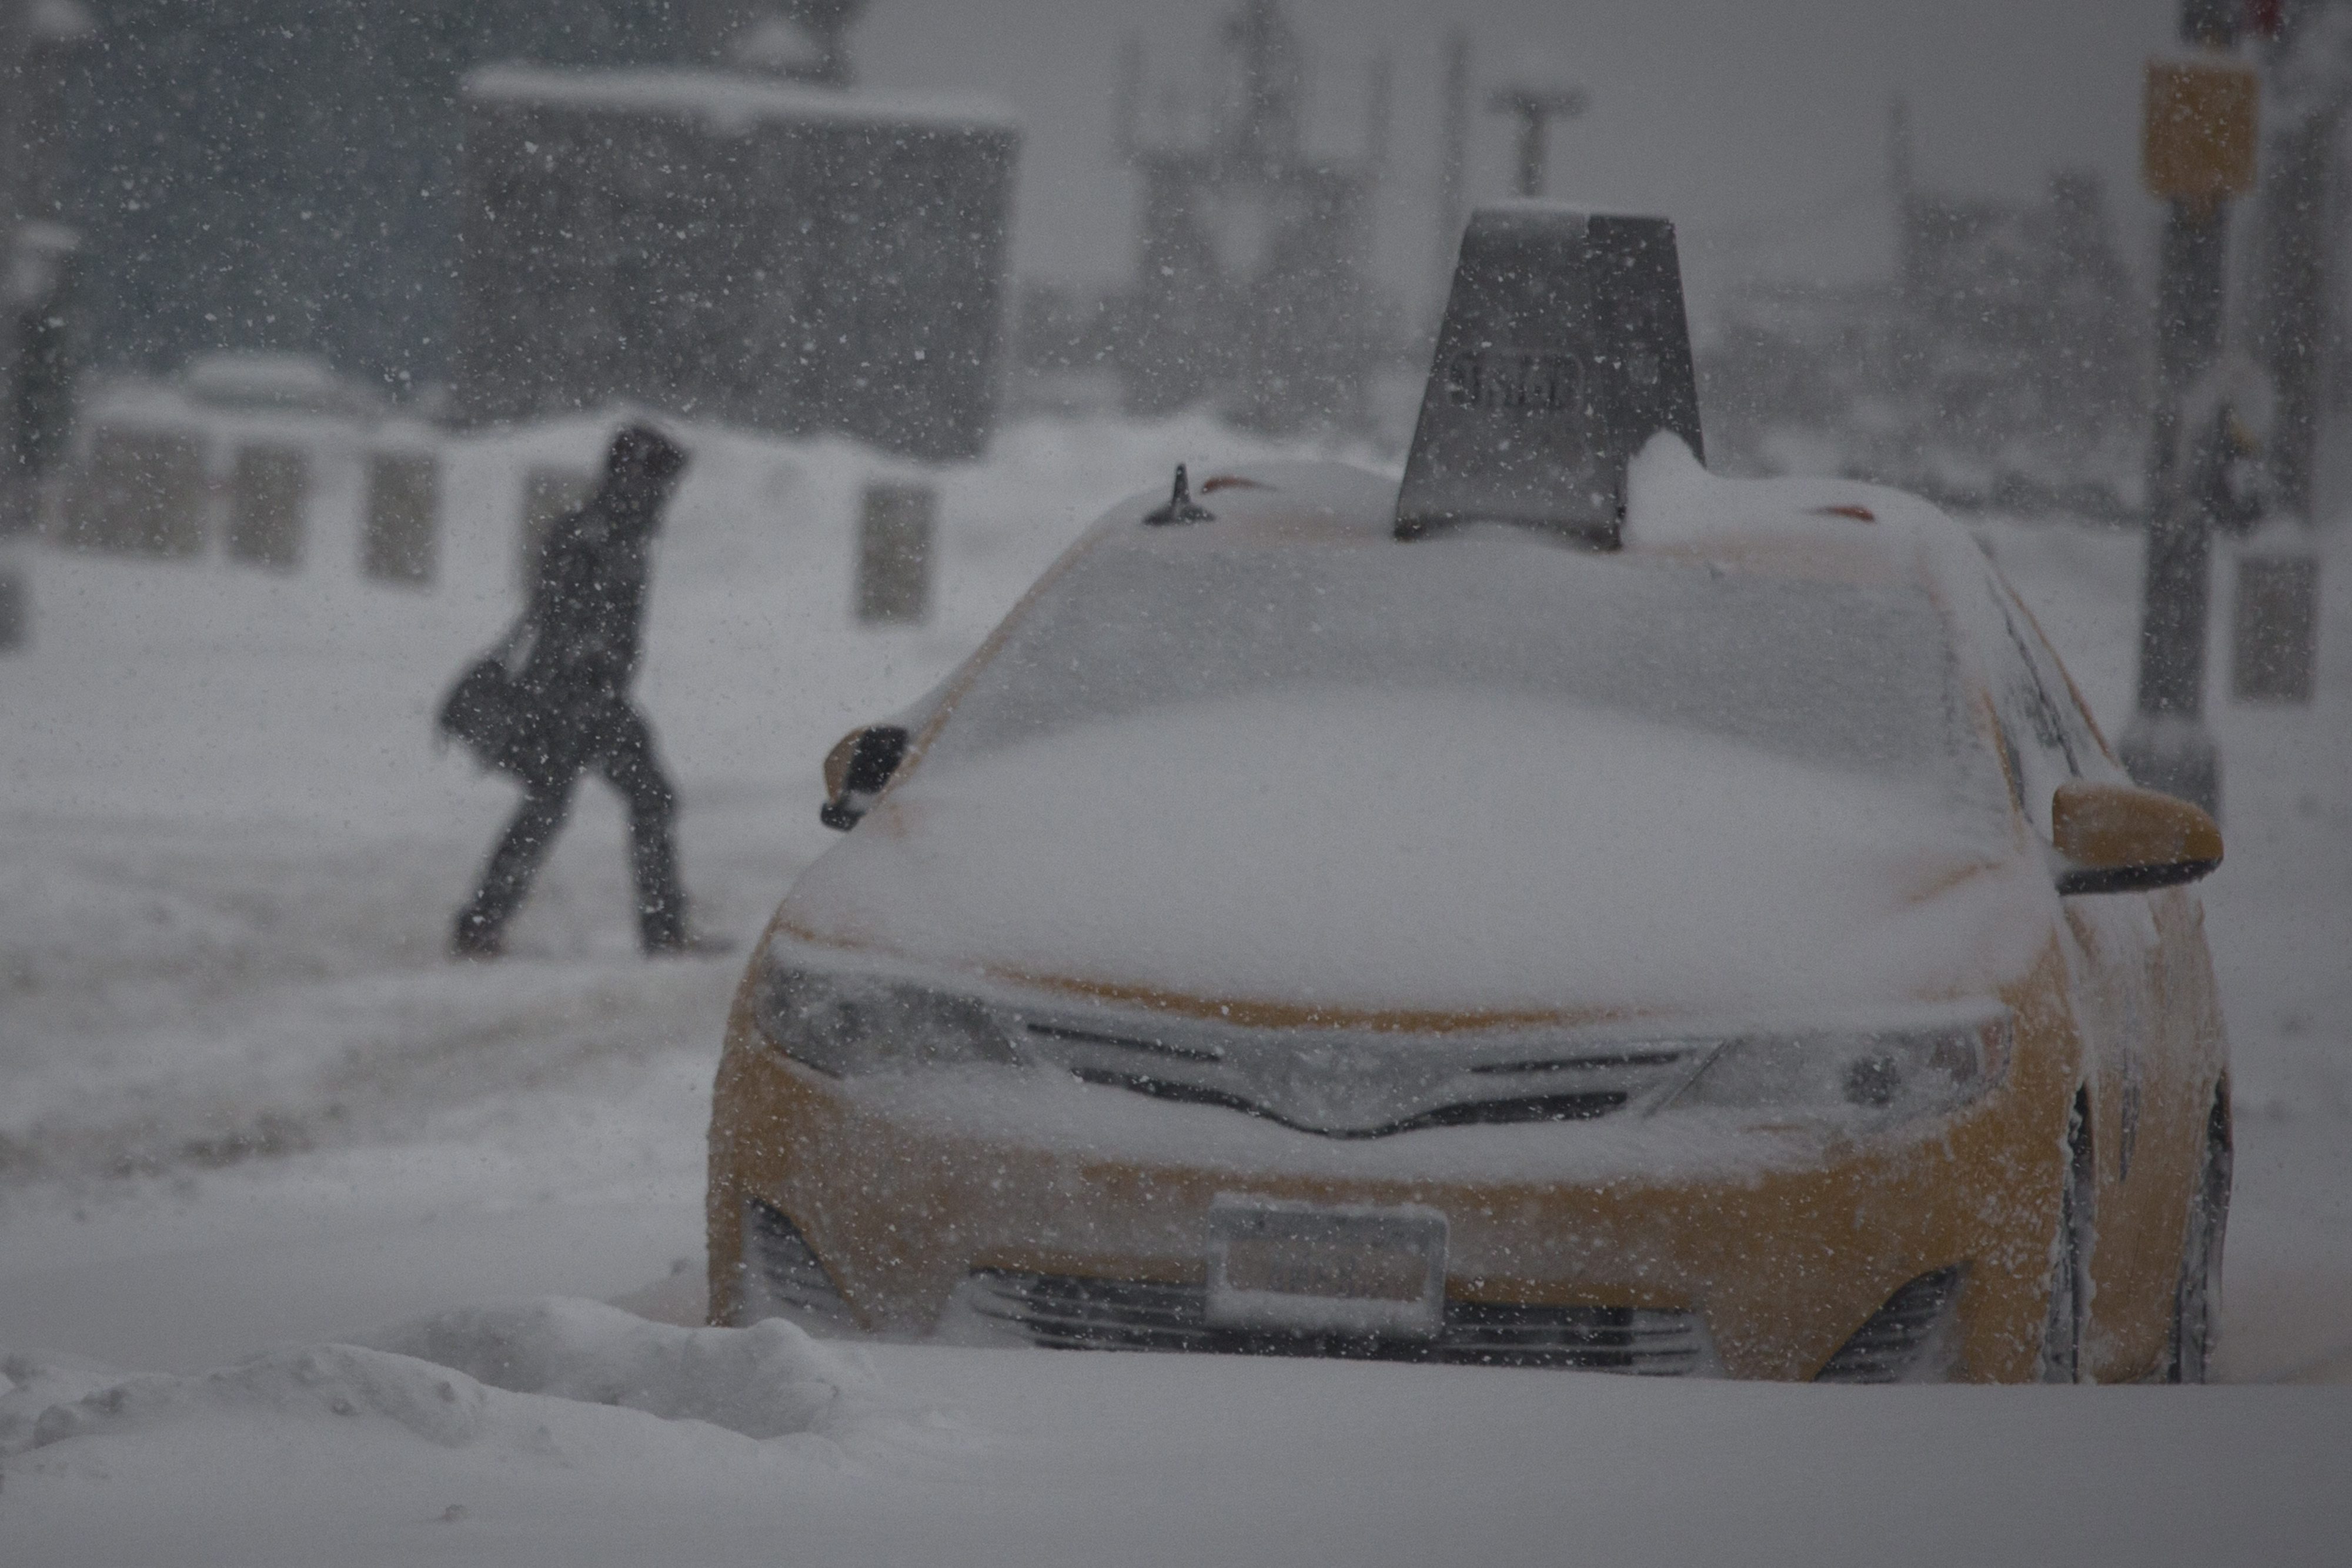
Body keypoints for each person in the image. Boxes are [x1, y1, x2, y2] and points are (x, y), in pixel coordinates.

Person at [452, 423, 703, 958]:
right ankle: (661, 931)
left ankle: (482, 922)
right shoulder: (589, 536)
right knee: (615, 801)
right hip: (570, 700)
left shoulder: (619, 537)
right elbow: (559, 623)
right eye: (661, 483)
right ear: (632, 478)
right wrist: (587, 676)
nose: (666, 497)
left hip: (592, 699)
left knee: (570, 803)